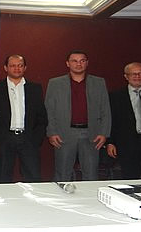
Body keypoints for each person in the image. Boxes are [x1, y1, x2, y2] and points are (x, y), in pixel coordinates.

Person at [45, 50, 110, 181]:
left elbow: (105, 109)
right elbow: (49, 110)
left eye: (82, 61)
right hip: (64, 134)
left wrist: (104, 133)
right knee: (62, 174)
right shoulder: (55, 83)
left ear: (87, 63)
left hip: (91, 134)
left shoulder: (98, 83)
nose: (78, 64)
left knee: (91, 175)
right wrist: (51, 132)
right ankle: (60, 201)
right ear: (67, 63)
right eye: (74, 61)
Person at [0, 55, 47, 183]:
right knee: (4, 178)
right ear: (5, 68)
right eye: (13, 65)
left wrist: (36, 138)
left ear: (25, 68)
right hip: (4, 138)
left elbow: (41, 116)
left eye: (20, 65)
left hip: (28, 138)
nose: (16, 68)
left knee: (33, 177)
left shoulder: (34, 88)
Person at [107, 62, 141, 179]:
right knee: (129, 175)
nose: (137, 77)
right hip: (126, 141)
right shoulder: (115, 96)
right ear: (126, 76)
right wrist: (110, 142)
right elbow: (111, 120)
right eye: (133, 74)